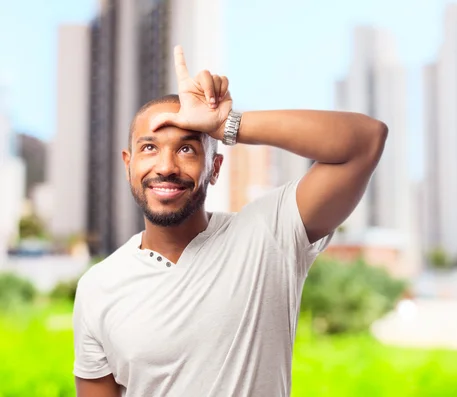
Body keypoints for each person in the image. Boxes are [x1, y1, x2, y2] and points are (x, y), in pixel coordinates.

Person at [73, 45, 388, 397]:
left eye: (186, 149)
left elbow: (365, 141)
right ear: (128, 164)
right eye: (149, 148)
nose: (165, 166)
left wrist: (227, 124)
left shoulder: (269, 234)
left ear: (215, 168)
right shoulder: (97, 286)